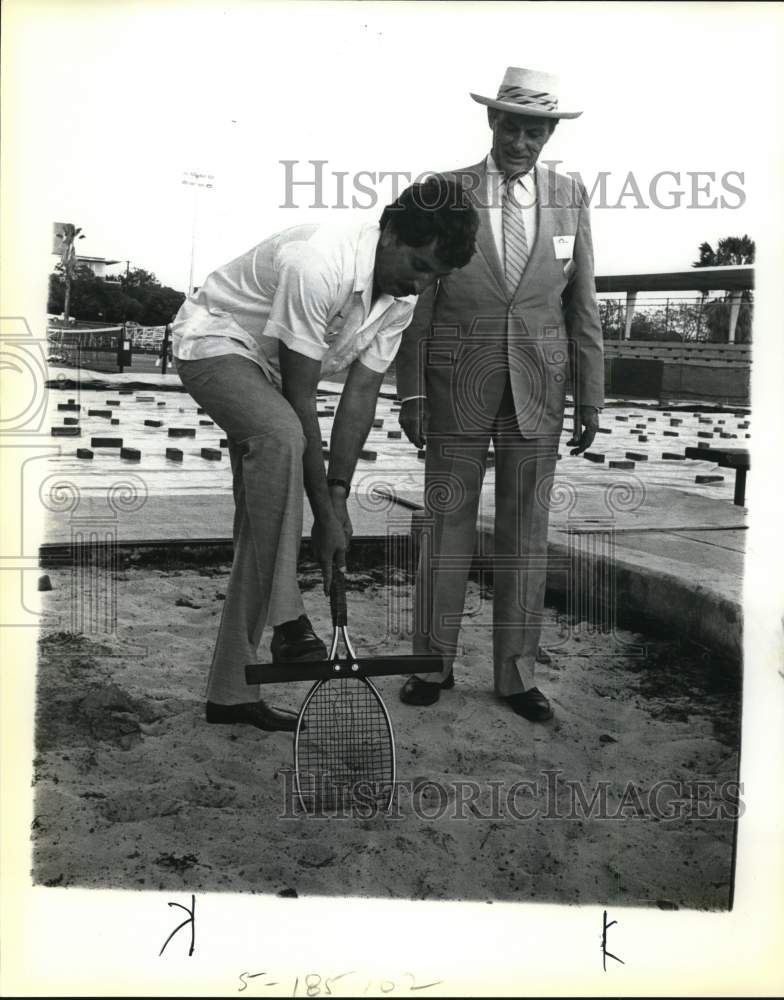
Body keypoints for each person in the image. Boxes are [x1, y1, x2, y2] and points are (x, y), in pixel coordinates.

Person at [172, 178, 478, 732]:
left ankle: (234, 688)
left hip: (269, 377)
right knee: (284, 438)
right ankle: (288, 624)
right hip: (216, 342)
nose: (420, 283)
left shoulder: (402, 297)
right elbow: (301, 398)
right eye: (417, 263)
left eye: (436, 275)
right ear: (388, 232)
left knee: (265, 513)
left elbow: (360, 397)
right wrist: (324, 517)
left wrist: (338, 498)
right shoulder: (320, 262)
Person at [396, 67, 605, 722]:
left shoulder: (571, 194)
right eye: (513, 126)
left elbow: (582, 300)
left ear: (549, 133)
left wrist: (591, 392)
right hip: (453, 382)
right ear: (493, 123)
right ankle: (430, 664)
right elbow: (418, 294)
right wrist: (410, 394)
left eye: (535, 130)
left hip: (539, 385)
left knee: (526, 532)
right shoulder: (445, 190)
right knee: (445, 525)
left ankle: (516, 678)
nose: (522, 140)